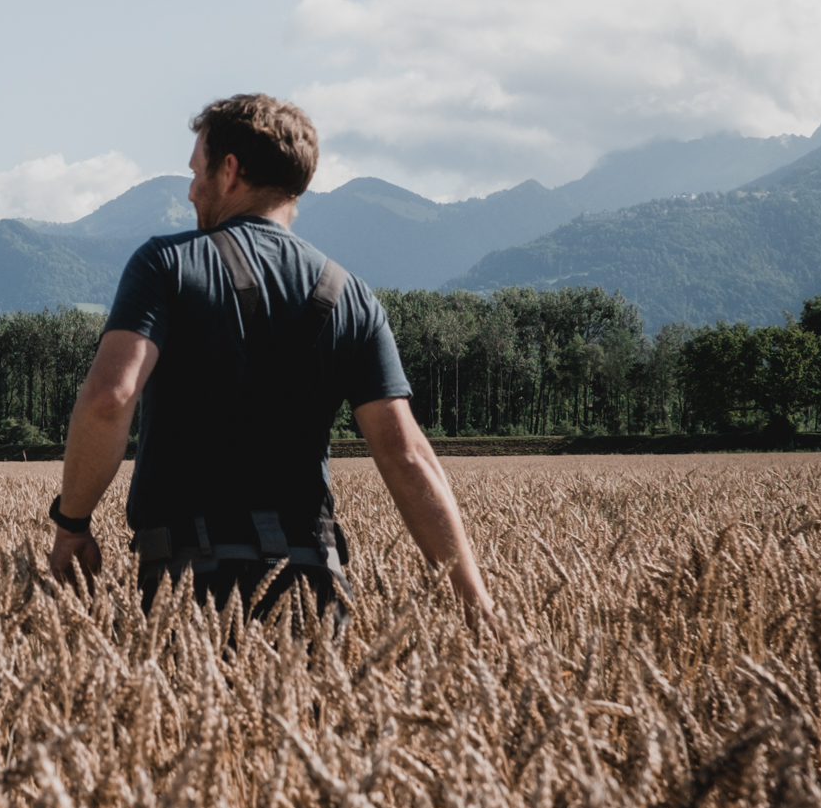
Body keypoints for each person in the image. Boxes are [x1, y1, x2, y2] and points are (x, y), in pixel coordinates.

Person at [45, 94, 497, 630]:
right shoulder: (351, 295)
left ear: (229, 171)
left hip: (191, 588)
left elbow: (108, 399)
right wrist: (477, 606)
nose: (191, 190)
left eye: (196, 172)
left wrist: (73, 524)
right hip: (316, 586)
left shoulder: (166, 265)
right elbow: (407, 456)